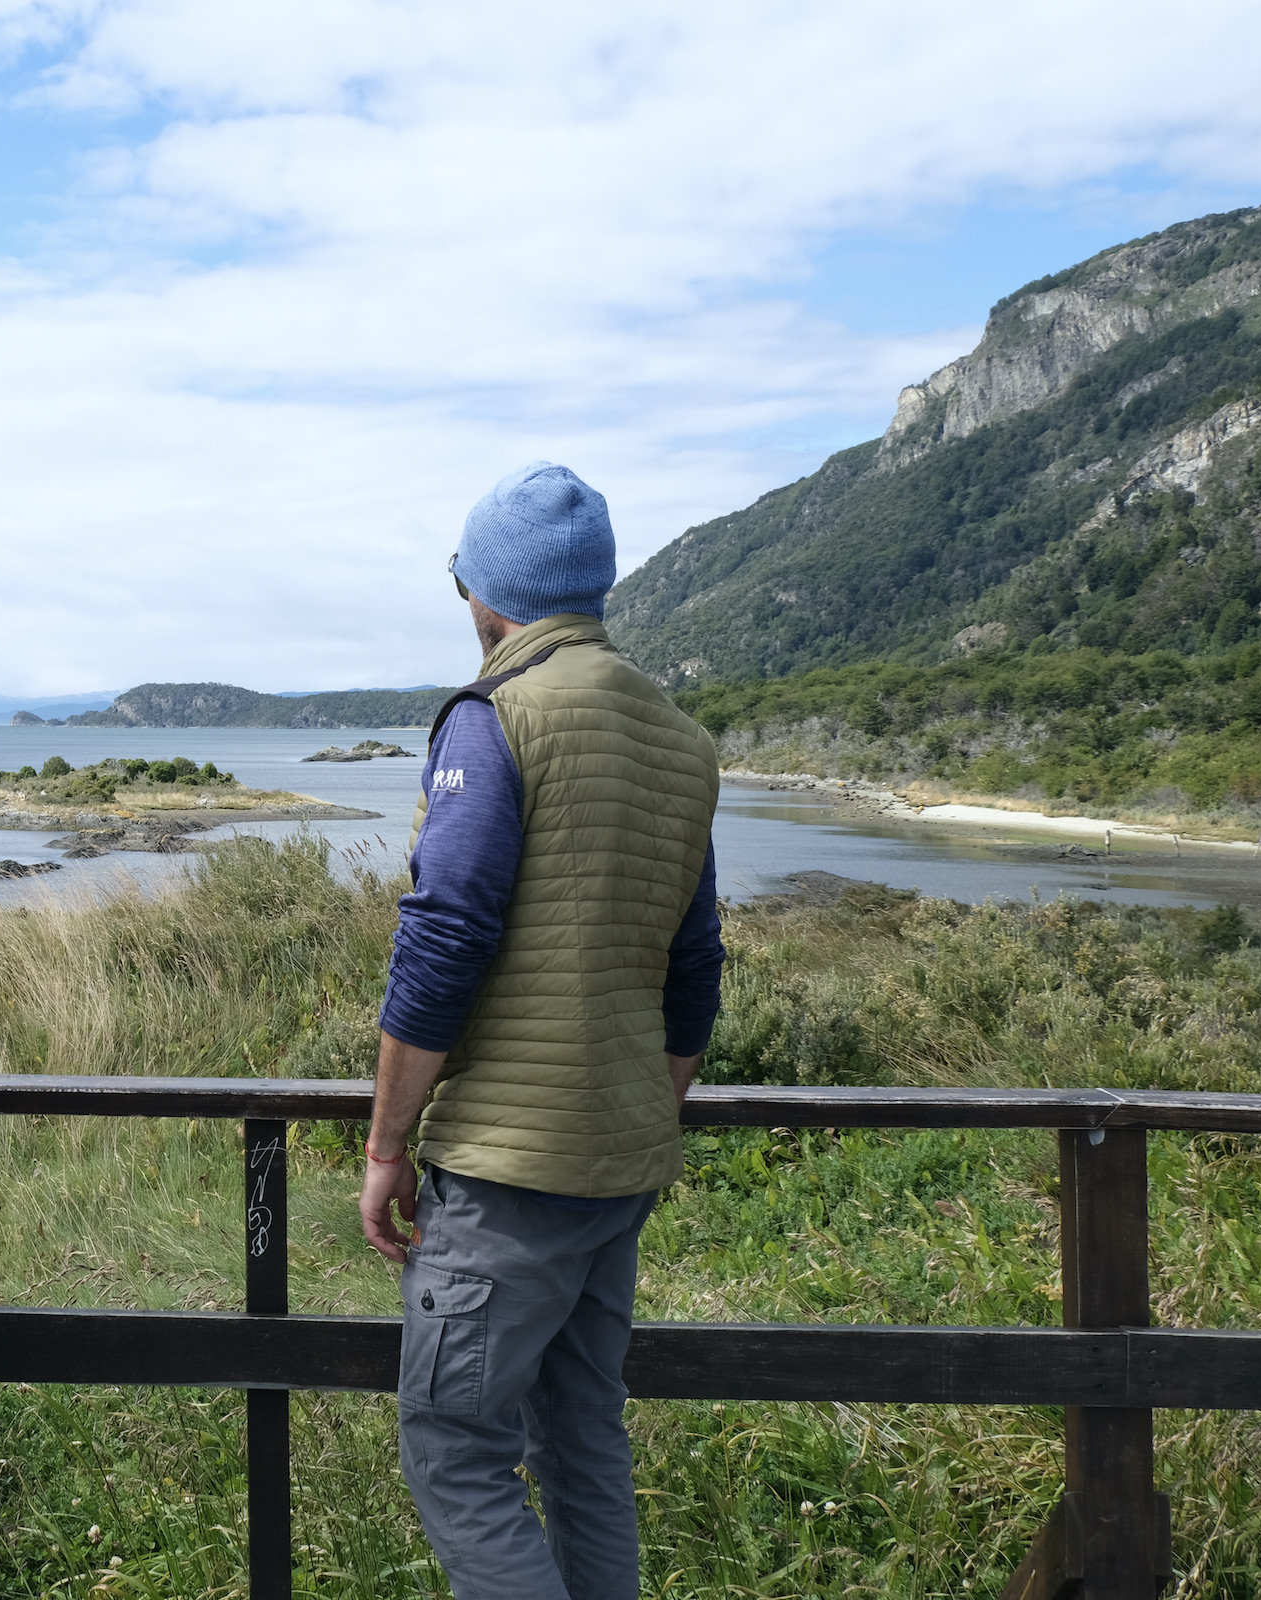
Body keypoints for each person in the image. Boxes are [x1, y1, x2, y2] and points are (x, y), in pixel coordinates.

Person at [358, 463, 725, 1600]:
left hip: (510, 1171)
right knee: (581, 1445)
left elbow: (444, 935)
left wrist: (383, 1146)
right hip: (617, 1166)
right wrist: (640, 1105)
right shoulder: (677, 735)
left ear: (487, 592)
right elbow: (695, 965)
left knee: (456, 1447)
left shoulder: (497, 714)